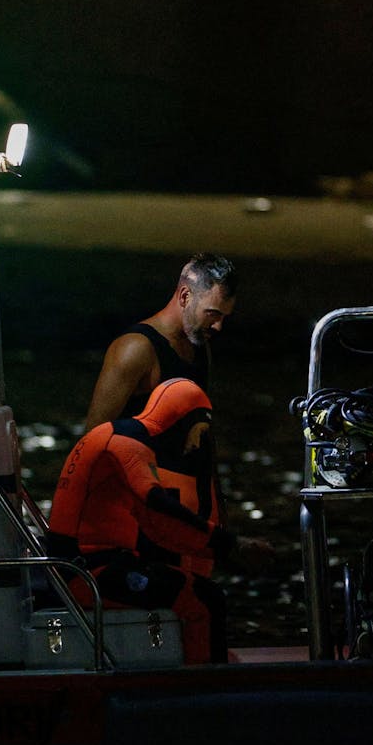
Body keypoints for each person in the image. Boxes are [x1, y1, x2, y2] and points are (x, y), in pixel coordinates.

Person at [46, 379, 251, 664]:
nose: (195, 444)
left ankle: (200, 671)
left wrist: (218, 549)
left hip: (91, 565)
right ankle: (208, 689)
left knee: (198, 587)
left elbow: (159, 528)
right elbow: (158, 506)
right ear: (180, 420)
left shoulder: (115, 435)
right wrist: (233, 544)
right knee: (202, 599)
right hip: (86, 574)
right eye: (198, 431)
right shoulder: (126, 443)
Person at [83, 253, 237, 432]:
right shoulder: (136, 348)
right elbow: (92, 439)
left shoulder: (200, 344)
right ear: (185, 296)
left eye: (224, 316)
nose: (218, 326)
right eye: (213, 313)